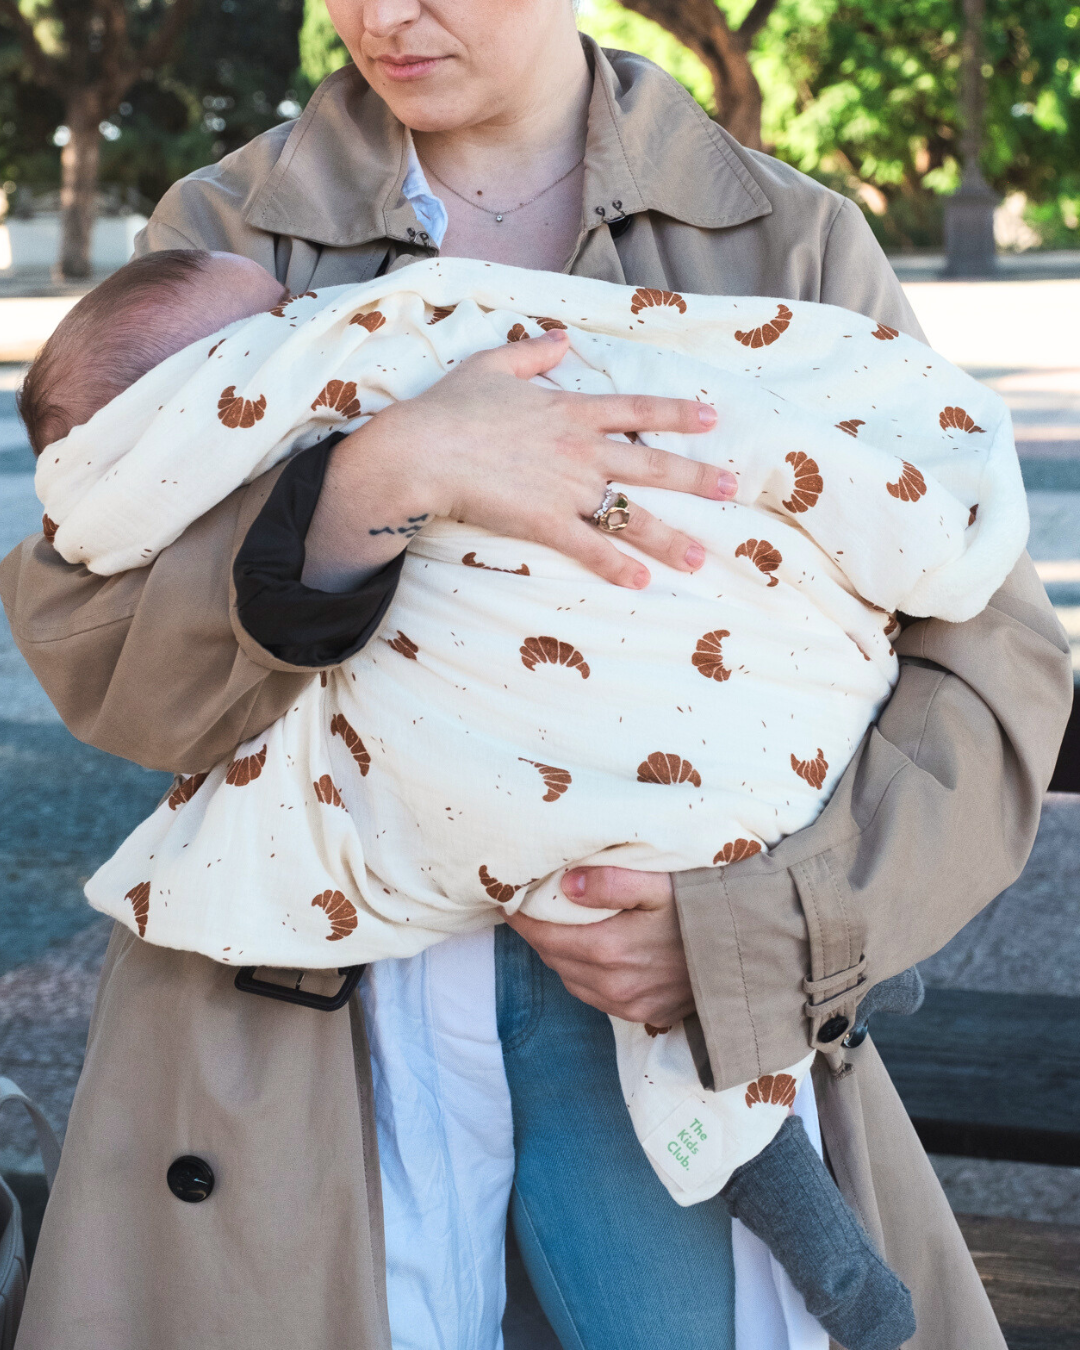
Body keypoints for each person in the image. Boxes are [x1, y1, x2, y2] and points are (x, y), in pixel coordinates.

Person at [1, 5, 1071, 1349]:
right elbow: (101, 655)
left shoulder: (790, 239)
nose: (383, 18)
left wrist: (745, 933)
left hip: (672, 980)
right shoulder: (223, 230)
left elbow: (990, 669)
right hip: (298, 1043)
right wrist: (377, 480)